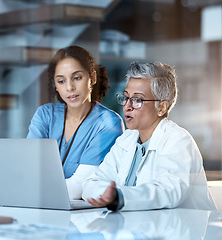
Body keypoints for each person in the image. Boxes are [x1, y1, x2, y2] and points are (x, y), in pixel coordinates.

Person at [82, 62, 217, 211]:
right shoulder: (126, 140)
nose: (127, 106)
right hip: (139, 227)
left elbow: (168, 191)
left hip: (183, 230)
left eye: (137, 100)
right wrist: (108, 196)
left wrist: (120, 197)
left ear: (161, 107)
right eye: (126, 97)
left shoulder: (178, 140)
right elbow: (92, 182)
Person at [27, 46, 124, 200]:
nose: (69, 87)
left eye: (77, 78)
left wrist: (32, 189)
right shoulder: (45, 115)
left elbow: (77, 190)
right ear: (56, 85)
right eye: (61, 81)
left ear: (92, 77)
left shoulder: (108, 123)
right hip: (43, 208)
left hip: (84, 216)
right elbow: (28, 171)